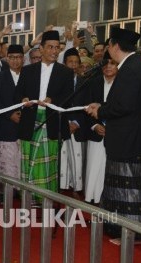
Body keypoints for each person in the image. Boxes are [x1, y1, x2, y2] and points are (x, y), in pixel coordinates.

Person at [86, 27, 141, 244]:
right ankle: (118, 229)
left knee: (130, 192)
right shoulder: (133, 66)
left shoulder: (131, 69)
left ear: (115, 46)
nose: (107, 51)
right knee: (120, 188)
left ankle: (132, 235)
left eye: (108, 46)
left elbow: (124, 105)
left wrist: (101, 111)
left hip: (130, 142)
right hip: (126, 140)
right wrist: (103, 105)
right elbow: (123, 103)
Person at [16, 30, 74, 201]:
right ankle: (29, 198)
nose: (54, 51)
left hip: (52, 122)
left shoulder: (65, 72)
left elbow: (69, 98)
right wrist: (23, 99)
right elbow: (18, 92)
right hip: (30, 121)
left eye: (57, 48)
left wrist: (52, 100)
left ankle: (47, 200)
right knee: (29, 162)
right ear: (41, 49)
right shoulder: (27, 70)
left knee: (49, 164)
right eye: (50, 47)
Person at [84, 51, 117, 204]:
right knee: (93, 167)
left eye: (113, 63)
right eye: (106, 63)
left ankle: (108, 200)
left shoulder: (123, 84)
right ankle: (92, 198)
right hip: (96, 131)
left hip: (116, 132)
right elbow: (84, 108)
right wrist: (95, 125)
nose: (108, 66)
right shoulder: (92, 82)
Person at [0, 45, 24, 180]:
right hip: (6, 126)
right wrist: (9, 114)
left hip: (25, 126)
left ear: (23, 59)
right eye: (12, 57)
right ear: (6, 58)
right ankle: (7, 191)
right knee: (7, 163)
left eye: (18, 57)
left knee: (23, 161)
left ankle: (22, 191)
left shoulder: (29, 75)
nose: (15, 61)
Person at [60, 48, 87, 194]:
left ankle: (76, 189)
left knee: (77, 158)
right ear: (64, 63)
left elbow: (87, 105)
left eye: (76, 62)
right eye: (70, 62)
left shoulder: (85, 83)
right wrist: (65, 122)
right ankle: (62, 187)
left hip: (77, 125)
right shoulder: (58, 82)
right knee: (62, 157)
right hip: (61, 124)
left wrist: (76, 123)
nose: (74, 65)